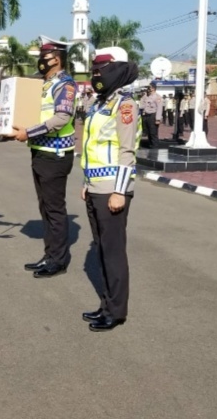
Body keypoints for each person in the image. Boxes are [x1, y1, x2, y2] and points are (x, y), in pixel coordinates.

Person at [80, 53, 140, 332]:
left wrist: (120, 191)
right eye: (94, 71)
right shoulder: (98, 104)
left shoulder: (124, 105)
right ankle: (105, 304)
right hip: (95, 187)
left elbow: (127, 151)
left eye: (101, 70)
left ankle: (116, 311)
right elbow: (92, 146)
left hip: (112, 189)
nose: (96, 76)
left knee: (113, 252)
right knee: (102, 250)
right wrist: (87, 182)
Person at [10, 36, 77, 279]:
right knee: (45, 208)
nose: (40, 60)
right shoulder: (45, 84)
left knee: (54, 210)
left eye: (44, 56)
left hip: (55, 155)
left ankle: (58, 260)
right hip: (41, 152)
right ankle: (49, 255)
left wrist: (29, 132)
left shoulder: (65, 85)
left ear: (56, 59)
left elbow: (61, 118)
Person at [140, 81, 162, 148]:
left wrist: (158, 119)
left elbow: (159, 108)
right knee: (148, 132)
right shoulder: (146, 96)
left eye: (149, 87)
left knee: (153, 132)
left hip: (153, 116)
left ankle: (155, 146)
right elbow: (142, 105)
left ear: (153, 88)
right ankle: (150, 145)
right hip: (146, 115)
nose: (148, 89)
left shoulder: (157, 97)